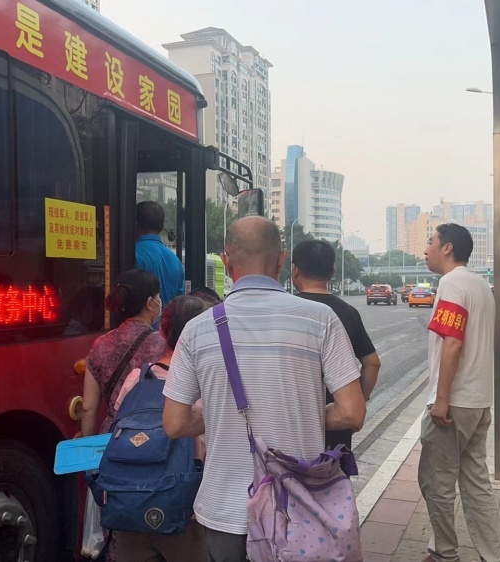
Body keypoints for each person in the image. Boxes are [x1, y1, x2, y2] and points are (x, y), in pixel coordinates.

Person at [161, 217, 367, 562]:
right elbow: (352, 413)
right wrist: (297, 412)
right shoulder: (320, 319)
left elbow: (174, 423)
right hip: (299, 511)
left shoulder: (196, 330)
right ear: (281, 259)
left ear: (226, 260)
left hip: (225, 511)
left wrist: (218, 413)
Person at [418, 223, 500, 562]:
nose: (426, 249)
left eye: (431, 241)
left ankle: (444, 553)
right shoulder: (480, 284)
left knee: (436, 482)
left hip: (454, 404)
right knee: (476, 483)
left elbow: (453, 342)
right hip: (479, 401)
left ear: (447, 248)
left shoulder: (452, 283)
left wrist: (441, 399)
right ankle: (494, 555)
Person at [110, 295, 211, 562]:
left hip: (131, 503)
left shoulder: (138, 378)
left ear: (163, 332)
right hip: (186, 508)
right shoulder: (208, 386)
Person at [78, 269, 166, 562]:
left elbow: (89, 407)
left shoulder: (100, 344)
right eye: (158, 297)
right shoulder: (162, 344)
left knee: (115, 507)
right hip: (153, 439)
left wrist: (89, 450)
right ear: (151, 303)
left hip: (112, 439)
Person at [292, 239, 381, 450]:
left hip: (294, 421)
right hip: (337, 422)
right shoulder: (348, 312)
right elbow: (372, 363)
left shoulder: (288, 310)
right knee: (335, 471)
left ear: (295, 271)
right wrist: (358, 401)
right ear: (332, 273)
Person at [135, 201, 185, 313]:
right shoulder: (175, 261)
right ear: (162, 227)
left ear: (136, 224)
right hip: (166, 324)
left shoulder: (133, 254)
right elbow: (180, 304)